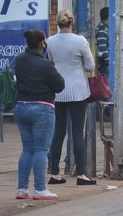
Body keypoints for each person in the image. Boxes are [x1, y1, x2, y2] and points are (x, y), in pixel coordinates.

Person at [47, 10, 97, 185]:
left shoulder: (50, 41)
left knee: (58, 132)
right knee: (77, 132)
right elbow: (90, 65)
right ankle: (82, 174)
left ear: (58, 23)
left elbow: (50, 62)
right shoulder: (80, 41)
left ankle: (54, 173)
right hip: (78, 92)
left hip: (58, 91)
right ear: (72, 23)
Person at [14, 30, 65, 200]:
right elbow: (59, 86)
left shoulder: (20, 60)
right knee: (41, 150)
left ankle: (22, 189)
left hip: (21, 107)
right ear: (42, 43)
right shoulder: (46, 65)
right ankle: (40, 189)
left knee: (27, 149)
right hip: (42, 109)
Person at [95, 7, 110, 76]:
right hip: (105, 66)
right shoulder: (102, 31)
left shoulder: (104, 29)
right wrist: (110, 63)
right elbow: (103, 51)